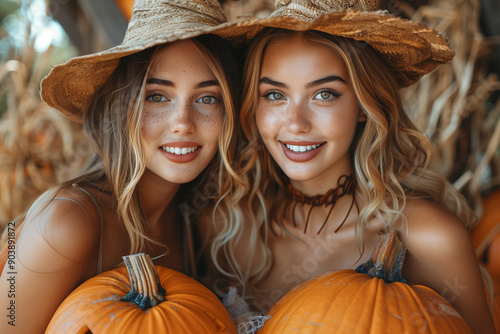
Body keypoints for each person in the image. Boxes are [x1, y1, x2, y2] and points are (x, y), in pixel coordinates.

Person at [201, 0, 496, 333]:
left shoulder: (425, 238)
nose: (295, 124)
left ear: (363, 104)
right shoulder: (226, 226)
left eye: (325, 94)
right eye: (274, 95)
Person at [0, 0, 244, 332]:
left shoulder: (194, 219)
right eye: (157, 96)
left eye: (207, 98)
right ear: (121, 105)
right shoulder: (66, 223)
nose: (183, 124)